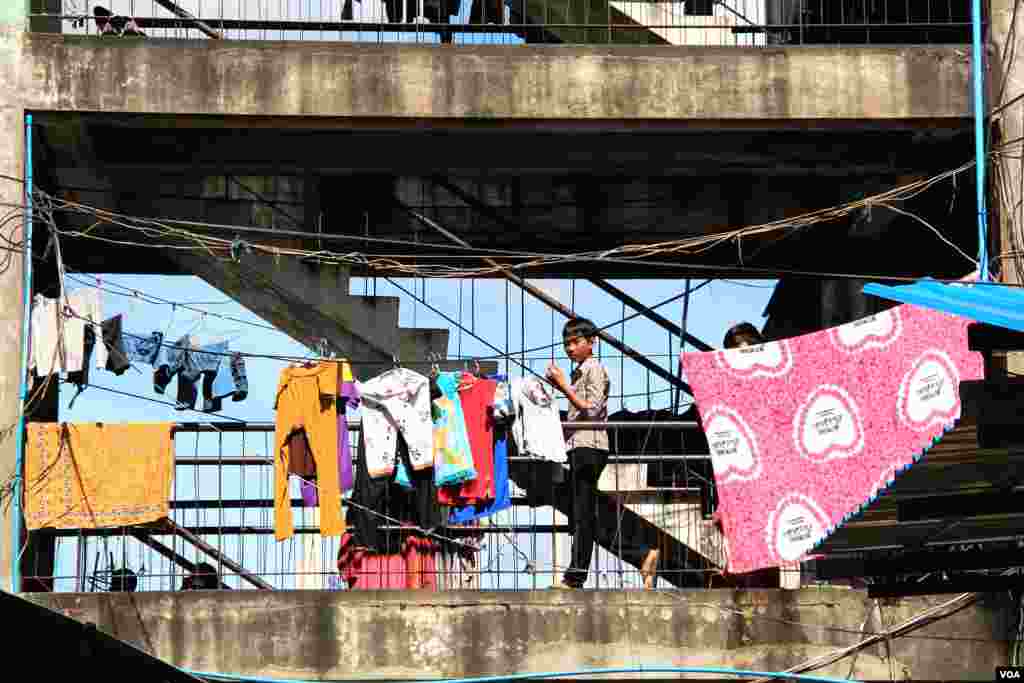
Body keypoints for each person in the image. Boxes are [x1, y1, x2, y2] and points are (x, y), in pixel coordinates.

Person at [546, 317, 659, 590]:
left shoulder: (594, 369)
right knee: (584, 515)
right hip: (579, 447)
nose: (570, 348)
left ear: (591, 342)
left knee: (583, 515)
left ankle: (575, 578)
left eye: (576, 342)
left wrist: (563, 386)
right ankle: (640, 555)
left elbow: (593, 409)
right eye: (566, 344)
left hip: (590, 448)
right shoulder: (579, 372)